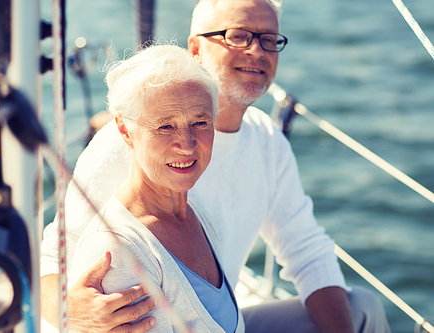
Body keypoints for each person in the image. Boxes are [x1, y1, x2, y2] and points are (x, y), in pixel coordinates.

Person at [41, 0, 391, 332]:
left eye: (269, 39)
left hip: (224, 319)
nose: (257, 51)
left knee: (363, 308)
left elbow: (307, 249)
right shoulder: (132, 141)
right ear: (195, 49)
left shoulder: (267, 141)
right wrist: (68, 312)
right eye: (238, 36)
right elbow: (56, 252)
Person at [64, 44, 244, 332]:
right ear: (125, 130)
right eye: (165, 127)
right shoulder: (118, 252)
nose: (186, 144)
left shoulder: (198, 216)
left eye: (200, 122)